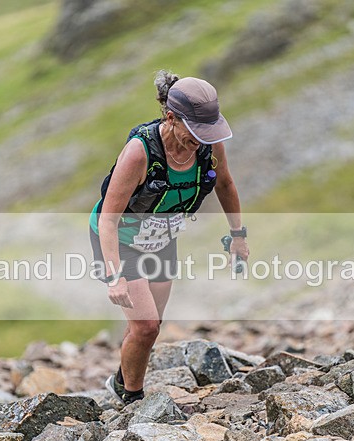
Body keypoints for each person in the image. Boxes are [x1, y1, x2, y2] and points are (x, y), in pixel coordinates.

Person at [89, 70, 249, 405]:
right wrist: (114, 274)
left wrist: (238, 235)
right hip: (122, 238)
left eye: (207, 132)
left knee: (149, 325)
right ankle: (131, 398)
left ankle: (120, 379)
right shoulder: (140, 152)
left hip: (162, 238)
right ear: (171, 117)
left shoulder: (208, 145)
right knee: (147, 327)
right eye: (194, 131)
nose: (201, 140)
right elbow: (108, 218)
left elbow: (225, 185)